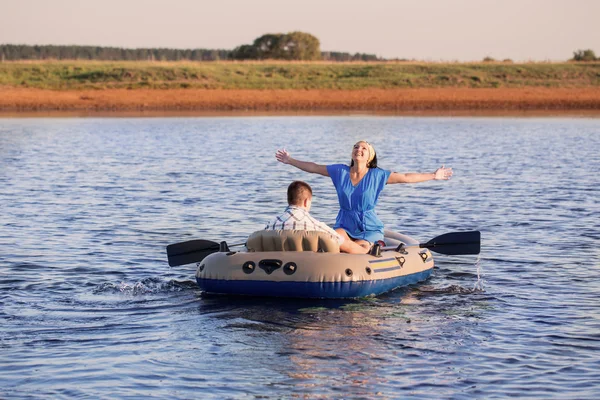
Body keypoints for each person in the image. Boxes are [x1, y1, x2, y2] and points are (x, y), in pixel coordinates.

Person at [275, 141, 453, 251]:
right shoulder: (339, 171)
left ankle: (373, 246)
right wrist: (290, 160)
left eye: (364, 148)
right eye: (356, 147)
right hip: (344, 223)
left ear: (369, 157)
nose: (358, 149)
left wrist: (433, 175)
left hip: (369, 226)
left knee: (360, 247)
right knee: (334, 238)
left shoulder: (378, 175)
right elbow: (313, 167)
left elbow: (406, 178)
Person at [265, 180, 371, 254]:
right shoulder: (314, 225)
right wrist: (366, 248)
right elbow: (347, 246)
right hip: (308, 273)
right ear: (306, 202)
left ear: (289, 200)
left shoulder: (272, 224)